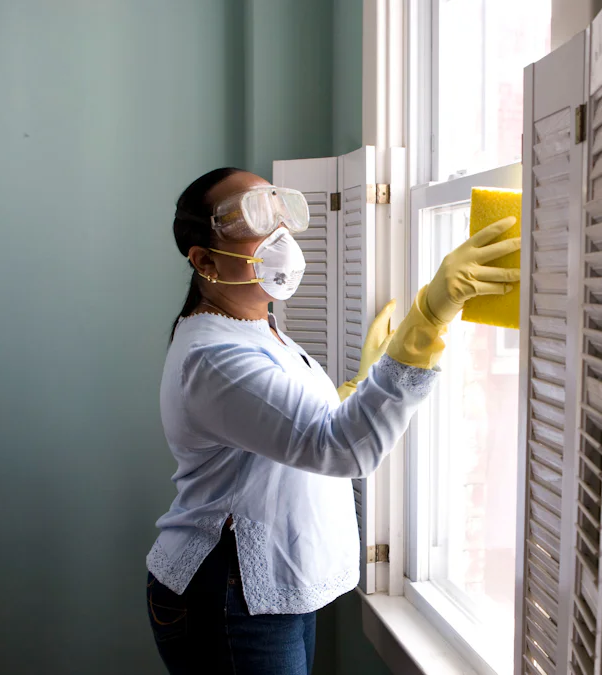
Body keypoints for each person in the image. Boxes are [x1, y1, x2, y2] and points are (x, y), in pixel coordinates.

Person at [145, 167, 520, 674]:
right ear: (205, 260)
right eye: (251, 217)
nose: (279, 232)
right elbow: (342, 450)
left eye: (280, 211)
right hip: (230, 592)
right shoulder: (214, 356)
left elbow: (285, 423)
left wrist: (360, 384)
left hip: (268, 588)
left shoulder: (256, 327)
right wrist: (426, 321)